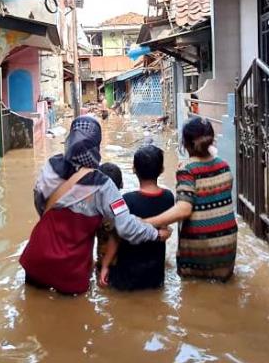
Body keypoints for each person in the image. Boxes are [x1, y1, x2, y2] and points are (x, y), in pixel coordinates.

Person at [20, 116, 171, 294]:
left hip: (37, 259)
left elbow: (39, 201)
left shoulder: (52, 166)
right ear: (96, 145)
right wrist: (156, 234)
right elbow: (126, 227)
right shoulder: (103, 186)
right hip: (71, 270)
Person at [145, 118, 237, 281]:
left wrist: (146, 222)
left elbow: (184, 209)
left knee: (191, 289)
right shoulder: (225, 166)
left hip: (200, 250)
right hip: (227, 248)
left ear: (185, 144)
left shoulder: (187, 170)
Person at [100, 145, 175, 291]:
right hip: (155, 276)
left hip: (126, 276)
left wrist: (104, 266)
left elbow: (115, 238)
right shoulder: (168, 197)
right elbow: (165, 231)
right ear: (162, 170)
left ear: (134, 169)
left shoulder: (125, 200)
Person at [95, 162, 124, 271]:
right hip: (121, 264)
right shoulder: (123, 208)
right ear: (122, 184)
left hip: (102, 263)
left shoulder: (94, 210)